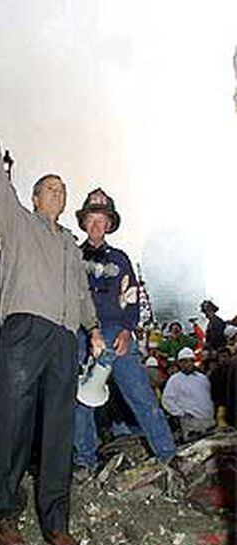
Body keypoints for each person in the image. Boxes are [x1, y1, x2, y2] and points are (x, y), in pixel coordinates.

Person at [0, 87, 104, 545]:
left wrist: (94, 327)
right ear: (35, 196)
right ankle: (5, 513)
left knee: (58, 431)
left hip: (65, 341)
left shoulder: (70, 243)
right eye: (51, 187)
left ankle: (56, 521)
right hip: (24, 333)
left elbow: (82, 294)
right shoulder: (17, 222)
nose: (59, 192)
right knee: (14, 424)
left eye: (63, 189)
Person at [73, 189, 179, 481]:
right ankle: (84, 460)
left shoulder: (121, 260)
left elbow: (131, 299)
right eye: (91, 220)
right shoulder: (71, 257)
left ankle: (168, 453)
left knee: (140, 394)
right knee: (80, 398)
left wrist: (127, 330)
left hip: (116, 331)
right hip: (82, 335)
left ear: (109, 224)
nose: (96, 226)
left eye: (101, 220)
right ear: (84, 223)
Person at [161, 347, 215, 441]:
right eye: (184, 361)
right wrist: (181, 413)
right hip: (191, 422)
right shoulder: (174, 380)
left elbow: (209, 396)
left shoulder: (202, 378)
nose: (188, 364)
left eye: (190, 361)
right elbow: (167, 400)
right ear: (180, 363)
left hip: (208, 420)